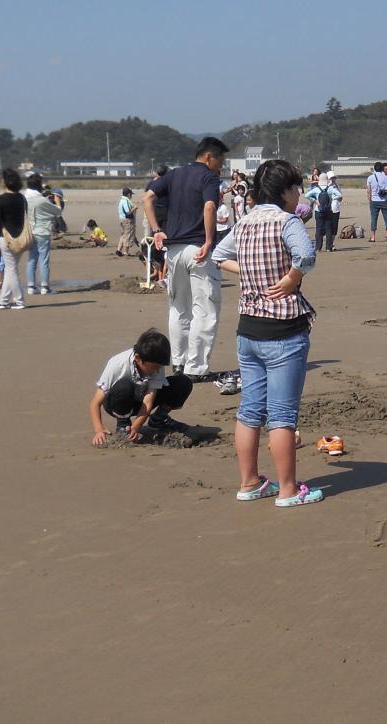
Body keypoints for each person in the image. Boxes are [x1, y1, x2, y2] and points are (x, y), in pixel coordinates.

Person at [222, 159, 323, 508]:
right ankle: (288, 489)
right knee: (281, 416)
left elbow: (220, 256)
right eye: (296, 189)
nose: (299, 194)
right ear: (284, 191)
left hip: (247, 329)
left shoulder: (245, 221)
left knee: (249, 411)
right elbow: (307, 255)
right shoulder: (287, 221)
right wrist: (291, 278)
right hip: (283, 330)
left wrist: (250, 273)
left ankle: (249, 483)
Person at [143, 137, 228, 380]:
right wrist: (210, 241)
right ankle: (196, 367)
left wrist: (156, 229)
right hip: (198, 248)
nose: (220, 166)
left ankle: (179, 363)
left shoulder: (173, 175)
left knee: (178, 307)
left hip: (175, 250)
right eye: (220, 159)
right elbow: (209, 207)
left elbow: (146, 198)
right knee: (205, 308)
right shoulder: (208, 177)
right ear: (209, 157)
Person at [89, 328, 193, 446]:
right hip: (117, 401)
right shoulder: (117, 365)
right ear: (138, 358)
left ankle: (159, 419)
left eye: (160, 367)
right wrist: (99, 429)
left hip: (141, 400)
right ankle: (123, 424)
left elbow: (148, 401)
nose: (157, 370)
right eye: (154, 367)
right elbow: (95, 403)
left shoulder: (156, 364)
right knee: (124, 387)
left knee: (183, 383)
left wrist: (137, 425)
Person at [0, 168, 29, 310]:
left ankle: (19, 300)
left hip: (5, 238)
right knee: (10, 269)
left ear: (5, 183)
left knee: (11, 269)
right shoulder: (22, 198)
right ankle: (3, 300)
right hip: (21, 238)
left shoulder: (0, 200)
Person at [23, 174, 63, 296]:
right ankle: (45, 287)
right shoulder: (41, 200)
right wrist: (57, 201)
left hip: (30, 231)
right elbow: (58, 211)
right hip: (43, 232)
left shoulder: (25, 198)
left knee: (31, 259)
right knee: (44, 260)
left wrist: (44, 192)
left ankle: (31, 287)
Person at [305, 172, 341, 252]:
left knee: (319, 229)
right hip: (328, 210)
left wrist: (315, 200)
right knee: (329, 229)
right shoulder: (330, 189)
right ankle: (328, 247)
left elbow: (306, 195)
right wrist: (332, 199)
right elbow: (339, 195)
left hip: (319, 210)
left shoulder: (316, 189)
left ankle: (318, 248)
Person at [365, 161, 387, 242]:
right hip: (384, 200)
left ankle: (373, 237)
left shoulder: (370, 178)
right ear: (382, 169)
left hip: (374, 200)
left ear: (374, 168)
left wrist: (369, 200)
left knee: (374, 218)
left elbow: (368, 190)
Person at [116, 187, 137, 257]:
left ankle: (119, 250)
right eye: (131, 194)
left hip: (122, 220)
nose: (131, 196)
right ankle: (126, 252)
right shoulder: (125, 201)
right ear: (128, 194)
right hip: (127, 220)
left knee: (124, 235)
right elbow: (128, 212)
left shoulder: (121, 200)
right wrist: (134, 208)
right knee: (128, 236)